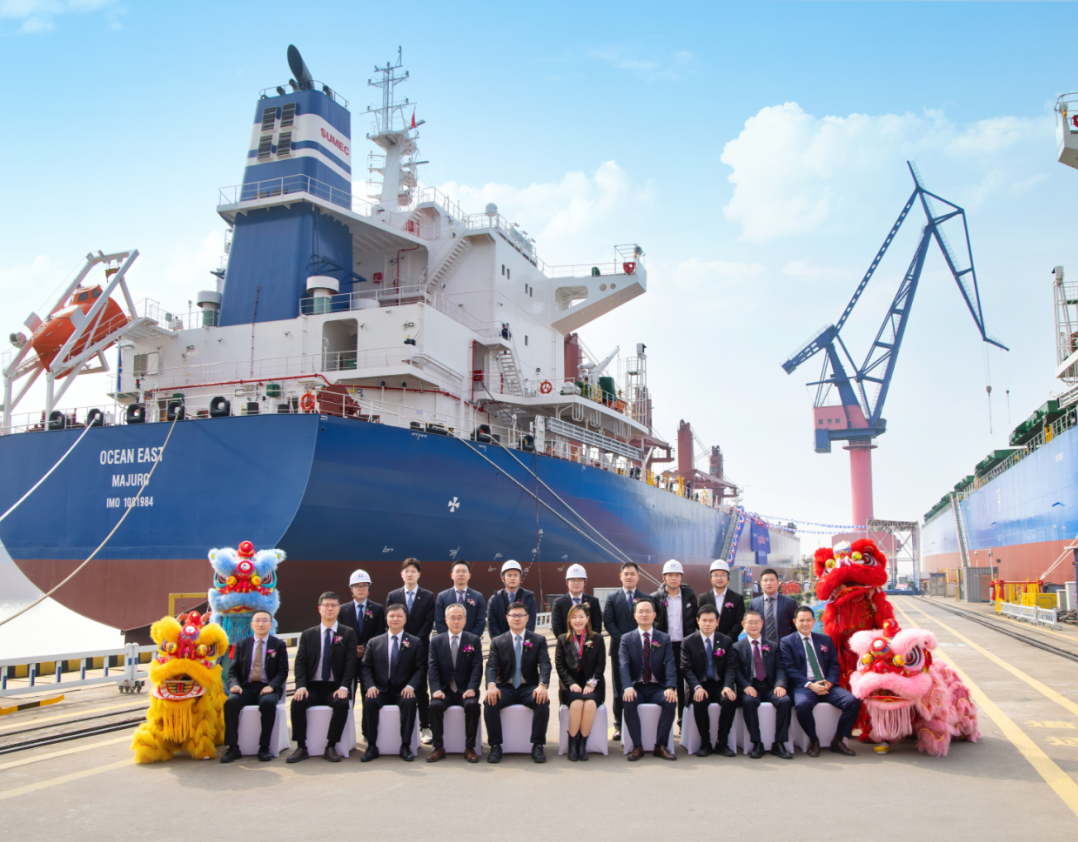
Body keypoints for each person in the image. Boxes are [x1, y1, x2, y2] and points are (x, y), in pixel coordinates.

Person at [780, 605, 860, 757]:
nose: (805, 623)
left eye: (808, 620)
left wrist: (829, 683)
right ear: (795, 622)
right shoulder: (786, 642)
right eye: (801, 620)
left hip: (826, 684)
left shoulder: (824, 639)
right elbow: (790, 669)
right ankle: (814, 740)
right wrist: (810, 685)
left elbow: (834, 664)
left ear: (814, 621)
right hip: (804, 686)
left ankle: (838, 741)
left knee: (852, 702)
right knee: (802, 706)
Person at [287, 592, 358, 763]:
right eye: (326, 605)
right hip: (312, 686)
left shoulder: (348, 633)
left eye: (333, 605)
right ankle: (301, 746)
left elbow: (351, 664)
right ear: (319, 609)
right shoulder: (308, 634)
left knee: (342, 703)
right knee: (297, 702)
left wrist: (344, 687)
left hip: (335, 686)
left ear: (339, 609)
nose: (329, 608)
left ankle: (331, 746)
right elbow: (300, 663)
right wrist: (301, 686)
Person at [484, 602, 551, 764]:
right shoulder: (498, 641)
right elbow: (491, 665)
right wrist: (491, 685)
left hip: (528, 687)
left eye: (521, 615)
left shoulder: (538, 639)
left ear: (527, 618)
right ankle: (495, 745)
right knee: (489, 702)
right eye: (513, 615)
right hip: (505, 687)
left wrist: (542, 685)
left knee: (542, 701)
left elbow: (545, 664)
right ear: (507, 618)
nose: (517, 618)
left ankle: (538, 745)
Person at [359, 604, 426, 762]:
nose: (395, 619)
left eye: (399, 616)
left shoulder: (415, 642)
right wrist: (370, 686)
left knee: (409, 702)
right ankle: (371, 746)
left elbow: (420, 669)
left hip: (403, 689)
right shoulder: (374, 642)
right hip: (380, 689)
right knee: (369, 701)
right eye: (392, 616)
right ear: (386, 618)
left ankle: (405, 746)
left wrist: (410, 686)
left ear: (405, 619)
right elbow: (365, 667)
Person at [221, 610, 289, 763]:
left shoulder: (278, 645)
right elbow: (233, 671)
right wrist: (235, 685)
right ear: (251, 624)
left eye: (265, 620)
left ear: (271, 624)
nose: (260, 624)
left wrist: (272, 686)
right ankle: (232, 747)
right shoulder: (241, 645)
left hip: (267, 687)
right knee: (230, 702)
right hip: (246, 687)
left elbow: (282, 671)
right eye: (257, 620)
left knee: (268, 703)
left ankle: (264, 746)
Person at [620, 598, 677, 761]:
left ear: (654, 615)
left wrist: (670, 687)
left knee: (670, 701)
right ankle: (637, 746)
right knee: (628, 701)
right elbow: (623, 665)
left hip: (656, 687)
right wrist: (627, 687)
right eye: (640, 611)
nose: (644, 614)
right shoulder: (626, 639)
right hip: (636, 687)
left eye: (648, 611)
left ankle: (661, 745)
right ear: (635, 615)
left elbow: (670, 663)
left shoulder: (664, 638)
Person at [387, 558, 436, 745]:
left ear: (419, 574)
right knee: (397, 684)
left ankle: (425, 726)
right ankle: (398, 725)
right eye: (406, 571)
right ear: (401, 574)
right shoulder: (393, 595)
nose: (409, 574)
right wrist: (402, 640)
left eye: (413, 571)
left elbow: (428, 622)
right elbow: (391, 620)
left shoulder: (428, 595)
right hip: (396, 648)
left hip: (420, 647)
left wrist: (413, 642)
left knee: (421, 688)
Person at [426, 603, 483, 763]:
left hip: (465, 690)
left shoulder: (473, 640)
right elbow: (432, 667)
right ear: (446, 620)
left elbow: (477, 667)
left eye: (460, 617)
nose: (456, 621)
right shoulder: (436, 641)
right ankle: (438, 747)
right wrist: (435, 689)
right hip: (444, 690)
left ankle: (470, 747)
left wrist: (472, 688)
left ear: (465, 620)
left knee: (472, 705)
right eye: (452, 618)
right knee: (434, 706)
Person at [603, 561, 652, 741]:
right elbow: (608, 622)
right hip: (618, 651)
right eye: (626, 574)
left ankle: (638, 723)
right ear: (620, 576)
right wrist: (625, 640)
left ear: (638, 577)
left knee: (639, 686)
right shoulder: (612, 598)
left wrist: (636, 641)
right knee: (619, 689)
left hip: (642, 650)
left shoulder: (646, 598)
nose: (629, 577)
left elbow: (649, 621)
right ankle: (618, 725)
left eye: (633, 574)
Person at [734, 609, 793, 759]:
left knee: (785, 701)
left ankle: (779, 743)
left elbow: (780, 667)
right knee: (748, 702)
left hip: (770, 686)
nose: (753, 625)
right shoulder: (737, 647)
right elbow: (735, 671)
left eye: (756, 622)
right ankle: (757, 743)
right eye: (750, 622)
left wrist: (780, 685)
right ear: (743, 624)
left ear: (762, 624)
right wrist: (745, 686)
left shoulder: (773, 645)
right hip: (750, 686)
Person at [680, 603, 737, 757]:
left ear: (717, 622)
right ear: (697, 621)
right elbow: (686, 669)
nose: (707, 624)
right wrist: (697, 687)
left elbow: (730, 667)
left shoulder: (725, 641)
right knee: (699, 700)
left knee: (730, 700)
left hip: (719, 685)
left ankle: (722, 742)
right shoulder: (688, 641)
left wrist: (728, 686)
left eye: (711, 620)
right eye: (704, 620)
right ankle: (705, 743)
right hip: (699, 685)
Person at [338, 569, 387, 743]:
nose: (361, 589)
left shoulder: (377, 609)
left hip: (369, 659)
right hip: (349, 660)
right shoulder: (342, 610)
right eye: (357, 586)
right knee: (347, 696)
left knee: (369, 696)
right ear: (351, 588)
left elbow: (380, 633)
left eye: (364, 586)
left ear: (369, 588)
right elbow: (339, 635)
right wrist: (353, 649)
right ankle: (347, 732)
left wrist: (366, 647)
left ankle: (368, 732)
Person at [554, 603, 606, 761]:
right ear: (569, 620)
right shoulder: (562, 639)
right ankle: (572, 743)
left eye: (581, 617)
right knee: (576, 703)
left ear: (587, 619)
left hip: (593, 684)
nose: (578, 620)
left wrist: (591, 684)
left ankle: (582, 744)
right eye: (574, 617)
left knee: (589, 704)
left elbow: (600, 665)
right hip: (570, 685)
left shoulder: (597, 638)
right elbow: (560, 666)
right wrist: (571, 683)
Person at [651, 559, 697, 728]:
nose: (674, 578)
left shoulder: (689, 596)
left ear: (681, 577)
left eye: (677, 575)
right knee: (666, 684)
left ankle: (683, 721)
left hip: (684, 647)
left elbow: (696, 619)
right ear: (664, 577)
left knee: (684, 684)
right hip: (665, 648)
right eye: (670, 575)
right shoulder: (655, 598)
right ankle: (665, 724)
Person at [486, 560, 538, 638]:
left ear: (520, 578)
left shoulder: (529, 598)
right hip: (501, 643)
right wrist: (500, 642)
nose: (512, 578)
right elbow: (492, 625)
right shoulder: (494, 600)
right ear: (502, 578)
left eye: (516, 575)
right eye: (509, 575)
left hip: (522, 642)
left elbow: (530, 623)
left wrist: (520, 640)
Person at [697, 560, 745, 641]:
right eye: (716, 575)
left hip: (730, 642)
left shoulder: (737, 598)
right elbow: (699, 620)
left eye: (723, 575)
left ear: (728, 578)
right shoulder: (703, 598)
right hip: (708, 641)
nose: (719, 578)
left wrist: (726, 639)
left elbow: (739, 622)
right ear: (711, 578)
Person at [434, 560, 486, 637]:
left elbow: (480, 623)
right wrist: (450, 639)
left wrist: (469, 639)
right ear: (452, 575)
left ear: (469, 575)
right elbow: (439, 622)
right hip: (448, 642)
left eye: (464, 571)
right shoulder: (442, 596)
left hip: (470, 641)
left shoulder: (478, 597)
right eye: (457, 571)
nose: (461, 574)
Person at [550, 564, 603, 637]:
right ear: (567, 582)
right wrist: (567, 642)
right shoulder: (559, 603)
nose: (576, 583)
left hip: (589, 643)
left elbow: (597, 626)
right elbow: (557, 628)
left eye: (580, 580)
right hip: (566, 643)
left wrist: (588, 642)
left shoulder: (593, 601)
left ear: (585, 582)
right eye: (572, 580)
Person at [751, 568, 798, 642]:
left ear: (777, 583)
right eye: (765, 580)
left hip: (784, 646)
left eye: (772, 580)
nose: (769, 583)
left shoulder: (790, 603)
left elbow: (796, 627)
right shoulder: (754, 603)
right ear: (761, 584)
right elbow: (750, 626)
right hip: (761, 646)